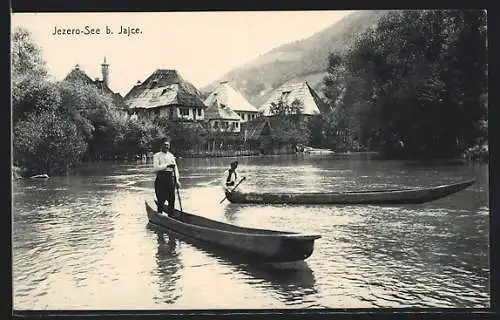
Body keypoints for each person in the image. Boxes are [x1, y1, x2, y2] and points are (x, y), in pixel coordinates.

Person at [153, 140, 181, 216]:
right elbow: (155, 168)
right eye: (165, 145)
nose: (166, 147)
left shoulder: (171, 156)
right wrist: (166, 165)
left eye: (168, 145)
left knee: (172, 200)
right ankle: (160, 216)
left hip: (170, 180)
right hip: (161, 180)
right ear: (161, 146)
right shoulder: (157, 156)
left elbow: (176, 169)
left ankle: (171, 217)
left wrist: (177, 180)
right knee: (161, 201)